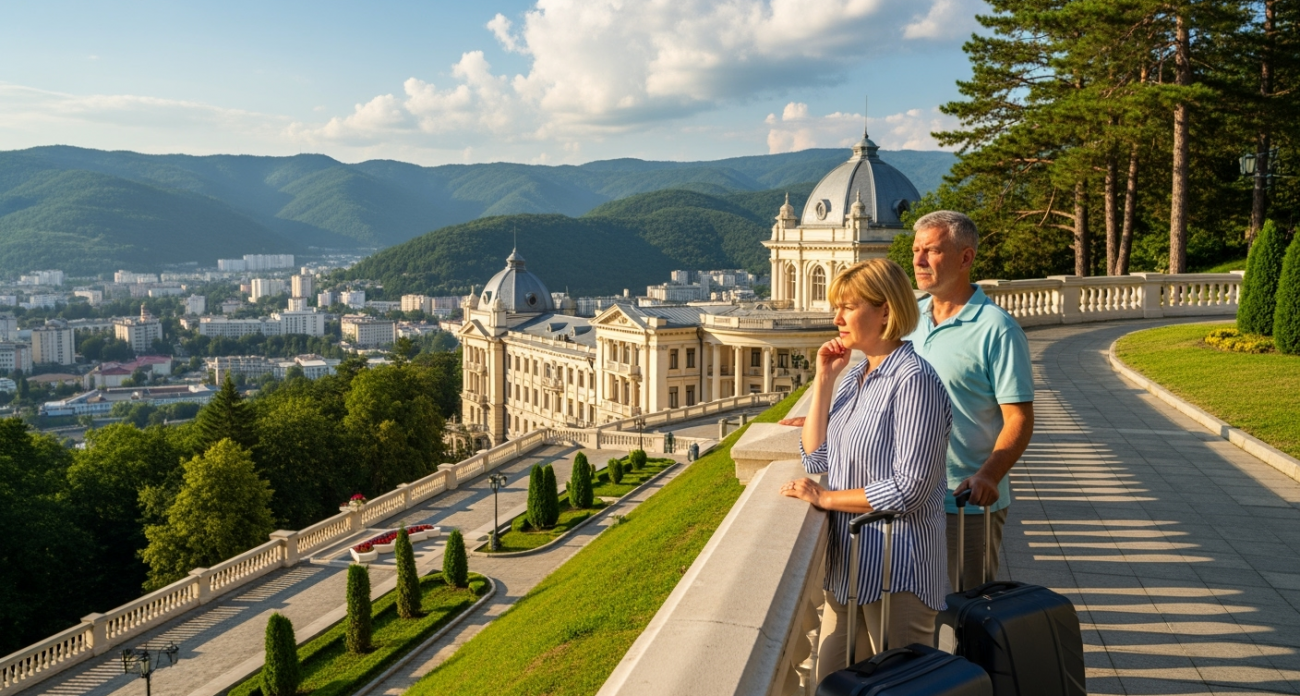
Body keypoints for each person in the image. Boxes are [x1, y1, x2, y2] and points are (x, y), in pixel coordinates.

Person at [779, 259, 952, 679]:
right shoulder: (858, 374)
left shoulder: (915, 381)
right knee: (829, 680)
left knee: (901, 688)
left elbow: (909, 488)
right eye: (836, 306)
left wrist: (826, 498)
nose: (836, 318)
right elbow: (816, 457)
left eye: (849, 307)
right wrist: (824, 379)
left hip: (899, 570)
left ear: (886, 312)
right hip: (850, 568)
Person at [907, 210, 1034, 591]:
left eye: (931, 250)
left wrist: (989, 475)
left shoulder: (998, 329)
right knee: (912, 612)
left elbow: (1019, 419)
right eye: (915, 250)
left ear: (965, 258)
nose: (918, 260)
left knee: (967, 614)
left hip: (962, 503)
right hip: (908, 494)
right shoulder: (909, 316)